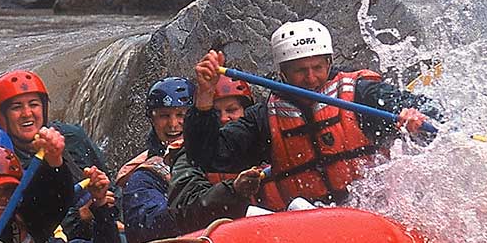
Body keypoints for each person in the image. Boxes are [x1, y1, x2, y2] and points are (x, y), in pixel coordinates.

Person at [186, 18, 441, 209]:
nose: (311, 78)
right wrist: (205, 98)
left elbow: (432, 116)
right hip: (311, 224)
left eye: (317, 67)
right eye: (300, 70)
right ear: (282, 72)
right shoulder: (264, 118)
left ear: (329, 62)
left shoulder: (362, 94)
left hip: (374, 212)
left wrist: (416, 117)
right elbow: (207, 156)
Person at [0, 69, 112, 241]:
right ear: (2, 117)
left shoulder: (72, 137)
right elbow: (29, 224)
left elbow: (112, 187)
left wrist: (105, 204)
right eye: (16, 107)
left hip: (99, 233)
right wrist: (80, 216)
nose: (27, 113)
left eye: (33, 104)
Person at [167, 75, 271, 232]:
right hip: (227, 239)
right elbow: (187, 210)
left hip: (279, 228)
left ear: (246, 111)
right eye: (215, 112)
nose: (223, 118)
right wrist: (233, 190)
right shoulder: (191, 155)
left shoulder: (264, 139)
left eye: (231, 110)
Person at [117, 76, 194, 243]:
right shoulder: (144, 176)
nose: (173, 124)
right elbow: (143, 228)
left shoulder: (220, 152)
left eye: (181, 115)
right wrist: (198, 209)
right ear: (152, 120)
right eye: (164, 116)